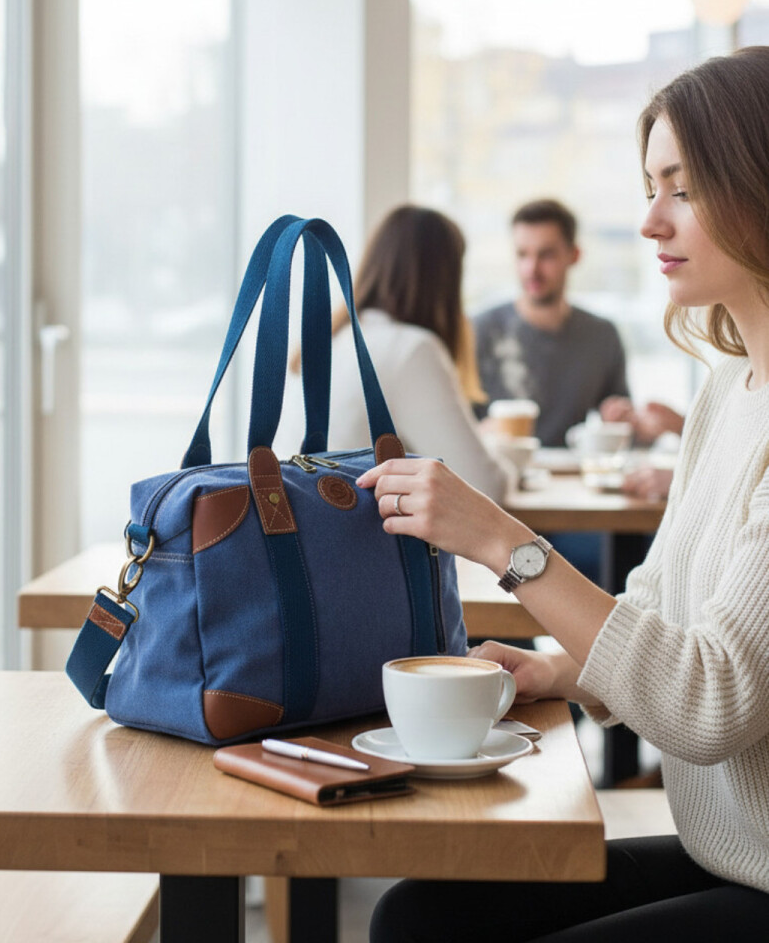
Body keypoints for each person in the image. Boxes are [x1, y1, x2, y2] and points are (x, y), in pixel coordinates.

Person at [361, 47, 769, 940]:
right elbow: (655, 607)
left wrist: (504, 543)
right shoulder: (726, 393)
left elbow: (711, 701)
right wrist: (556, 669)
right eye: (650, 188)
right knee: (416, 918)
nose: (650, 222)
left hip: (759, 873)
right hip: (729, 853)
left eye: (684, 189)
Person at [279, 205, 513, 503]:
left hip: (301, 523)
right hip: (350, 529)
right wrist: (509, 455)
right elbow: (484, 488)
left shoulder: (332, 338)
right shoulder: (412, 349)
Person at [474, 198, 630, 448]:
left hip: (570, 471)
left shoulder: (602, 336)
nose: (531, 269)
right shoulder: (477, 332)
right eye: (522, 254)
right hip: (496, 469)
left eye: (545, 255)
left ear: (574, 255)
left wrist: (621, 418)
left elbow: (621, 425)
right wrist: (478, 433)